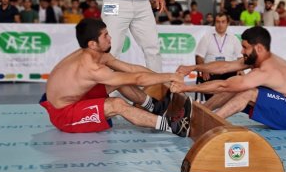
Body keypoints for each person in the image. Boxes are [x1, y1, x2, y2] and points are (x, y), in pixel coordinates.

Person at [39, 18, 192, 136]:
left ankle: (155, 107)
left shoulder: (97, 54)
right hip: (64, 114)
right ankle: (174, 127)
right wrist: (172, 77)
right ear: (92, 44)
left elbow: (131, 69)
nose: (110, 38)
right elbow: (138, 79)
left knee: (120, 78)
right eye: (105, 36)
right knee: (117, 104)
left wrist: (166, 77)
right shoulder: (92, 68)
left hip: (74, 98)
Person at [173, 26, 286, 130]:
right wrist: (194, 67)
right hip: (285, 101)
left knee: (245, 91)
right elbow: (225, 67)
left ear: (258, 48)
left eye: (245, 47)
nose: (241, 51)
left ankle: (206, 125)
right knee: (237, 86)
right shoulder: (258, 57)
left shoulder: (267, 70)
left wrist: (187, 87)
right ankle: (197, 115)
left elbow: (224, 85)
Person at [195, 13, 242, 100]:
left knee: (238, 80)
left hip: (229, 70)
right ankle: (211, 106)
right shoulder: (206, 37)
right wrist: (204, 70)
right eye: (218, 22)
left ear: (227, 23)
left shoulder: (234, 38)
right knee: (209, 83)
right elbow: (199, 57)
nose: (220, 25)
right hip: (211, 71)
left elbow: (240, 57)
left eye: (223, 22)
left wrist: (240, 70)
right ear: (214, 23)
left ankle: (228, 105)